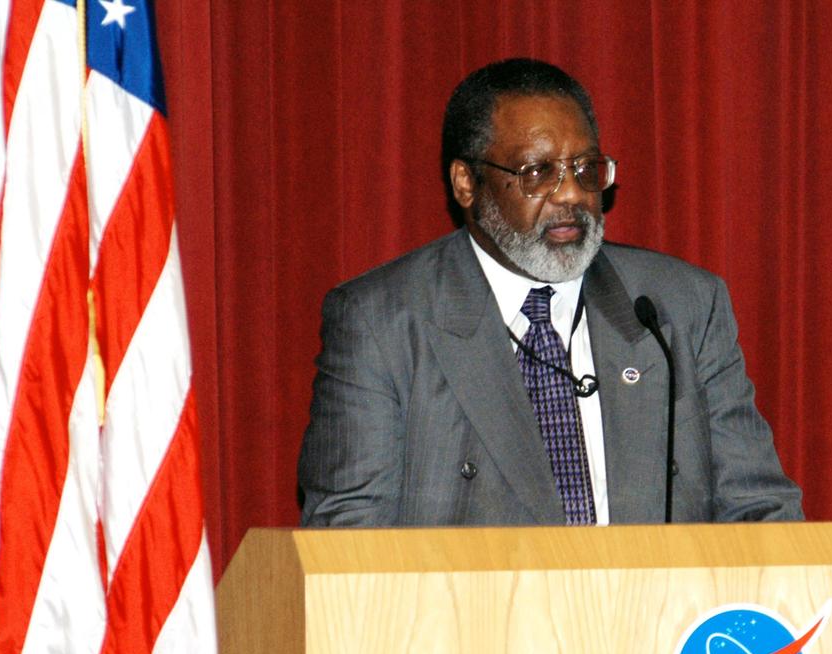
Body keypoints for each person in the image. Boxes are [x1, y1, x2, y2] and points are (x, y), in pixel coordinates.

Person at [298, 58, 802, 527]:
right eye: (537, 173)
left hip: (654, 618)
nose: (571, 195)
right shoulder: (382, 322)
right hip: (474, 619)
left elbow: (760, 512)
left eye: (586, 170)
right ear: (466, 183)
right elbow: (348, 544)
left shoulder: (680, 307)